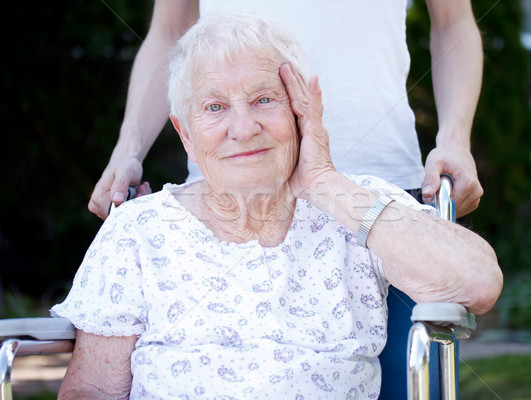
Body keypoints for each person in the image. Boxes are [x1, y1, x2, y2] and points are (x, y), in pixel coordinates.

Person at [54, 15, 502, 399]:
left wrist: (324, 183)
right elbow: (90, 390)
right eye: (215, 107)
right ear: (185, 134)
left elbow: (479, 282)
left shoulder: (353, 207)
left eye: (265, 99)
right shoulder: (139, 230)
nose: (244, 127)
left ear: (301, 110)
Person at [88, 0, 484, 220]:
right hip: (228, 191)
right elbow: (170, 32)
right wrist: (128, 150)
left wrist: (455, 140)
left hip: (377, 184)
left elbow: (453, 23)